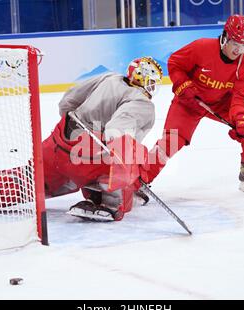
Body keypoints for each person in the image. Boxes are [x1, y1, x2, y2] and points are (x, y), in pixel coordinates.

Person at [145, 14, 244, 194]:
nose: (239, 50)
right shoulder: (201, 47)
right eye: (236, 44)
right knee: (171, 141)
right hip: (190, 101)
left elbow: (240, 97)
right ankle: (142, 178)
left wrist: (240, 119)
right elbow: (175, 63)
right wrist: (184, 85)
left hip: (220, 104)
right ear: (225, 37)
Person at [42, 57, 163, 221]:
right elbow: (117, 132)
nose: (153, 87)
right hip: (87, 159)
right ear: (144, 78)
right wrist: (131, 175)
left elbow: (68, 101)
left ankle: (0, 189)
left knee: (33, 180)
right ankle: (110, 201)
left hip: (58, 144)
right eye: (153, 82)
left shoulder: (109, 77)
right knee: (133, 154)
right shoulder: (142, 103)